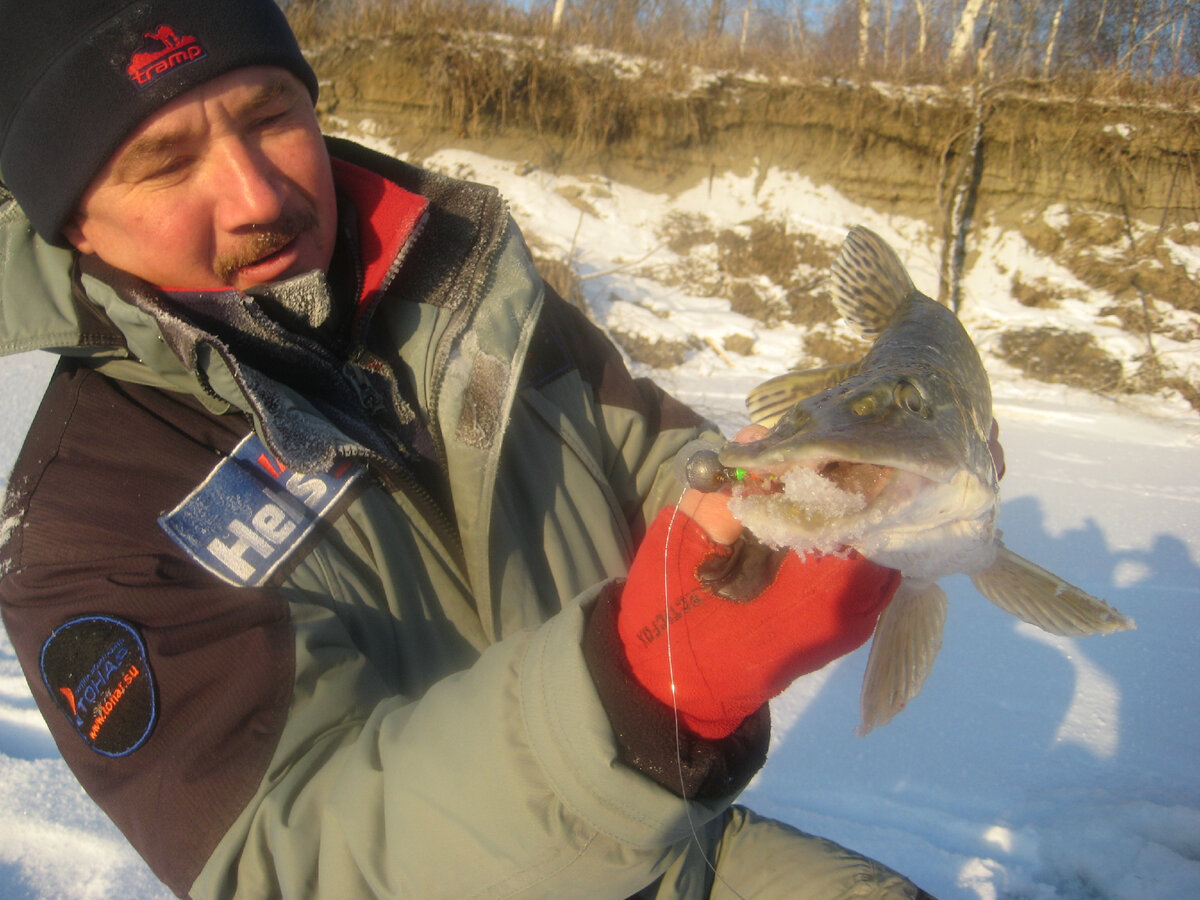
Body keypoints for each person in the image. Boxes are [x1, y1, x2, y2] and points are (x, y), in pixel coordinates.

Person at [0, 2, 956, 897]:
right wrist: (644, 687)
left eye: (269, 114)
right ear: (72, 221)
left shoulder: (478, 311)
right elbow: (298, 865)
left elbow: (670, 465)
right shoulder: (89, 525)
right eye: (166, 162)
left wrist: (794, 490)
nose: (259, 194)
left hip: (662, 850)